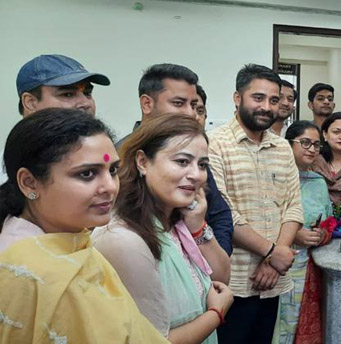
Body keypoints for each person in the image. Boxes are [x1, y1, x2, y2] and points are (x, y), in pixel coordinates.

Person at [0, 108, 167, 343]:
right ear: (29, 183)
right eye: (87, 174)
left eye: (112, 170)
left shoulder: (72, 243)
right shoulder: (42, 274)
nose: (110, 187)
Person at [93, 113, 233, 343]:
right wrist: (215, 314)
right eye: (182, 161)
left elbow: (221, 279)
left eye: (202, 165)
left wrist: (199, 227)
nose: (196, 175)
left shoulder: (178, 220)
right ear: (142, 162)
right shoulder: (124, 239)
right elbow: (155, 340)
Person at [207, 64, 302, 343]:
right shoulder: (215, 144)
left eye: (274, 100)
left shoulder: (283, 147)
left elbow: (293, 206)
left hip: (274, 279)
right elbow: (222, 214)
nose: (267, 107)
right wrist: (272, 252)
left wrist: (275, 259)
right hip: (231, 282)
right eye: (258, 98)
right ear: (237, 98)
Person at [120, 63, 236, 255]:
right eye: (178, 103)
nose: (190, 113)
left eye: (193, 105)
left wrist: (208, 268)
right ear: (147, 104)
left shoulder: (196, 154)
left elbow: (219, 214)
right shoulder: (119, 156)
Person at [2, 54, 111, 185]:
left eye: (87, 93)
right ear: (30, 102)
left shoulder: (109, 156)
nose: (85, 103)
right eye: (68, 94)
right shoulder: (5, 175)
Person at [274, 121, 334, 344]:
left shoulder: (318, 182)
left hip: (308, 266)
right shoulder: (276, 178)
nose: (312, 149)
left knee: (299, 323)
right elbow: (266, 217)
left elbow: (329, 221)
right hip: (276, 262)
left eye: (316, 145)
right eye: (305, 143)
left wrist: (320, 234)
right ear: (289, 145)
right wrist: (294, 234)